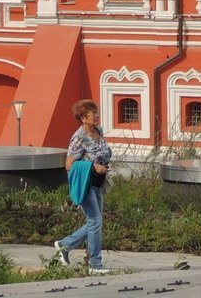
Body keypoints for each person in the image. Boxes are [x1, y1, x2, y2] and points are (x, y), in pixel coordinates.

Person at [55, 98, 112, 274]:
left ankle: (64, 245)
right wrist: (93, 166)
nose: (96, 116)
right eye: (92, 114)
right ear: (82, 118)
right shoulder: (79, 138)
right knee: (95, 221)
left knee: (96, 222)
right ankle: (95, 264)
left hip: (98, 182)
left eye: (96, 113)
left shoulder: (98, 131)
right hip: (85, 183)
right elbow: (69, 164)